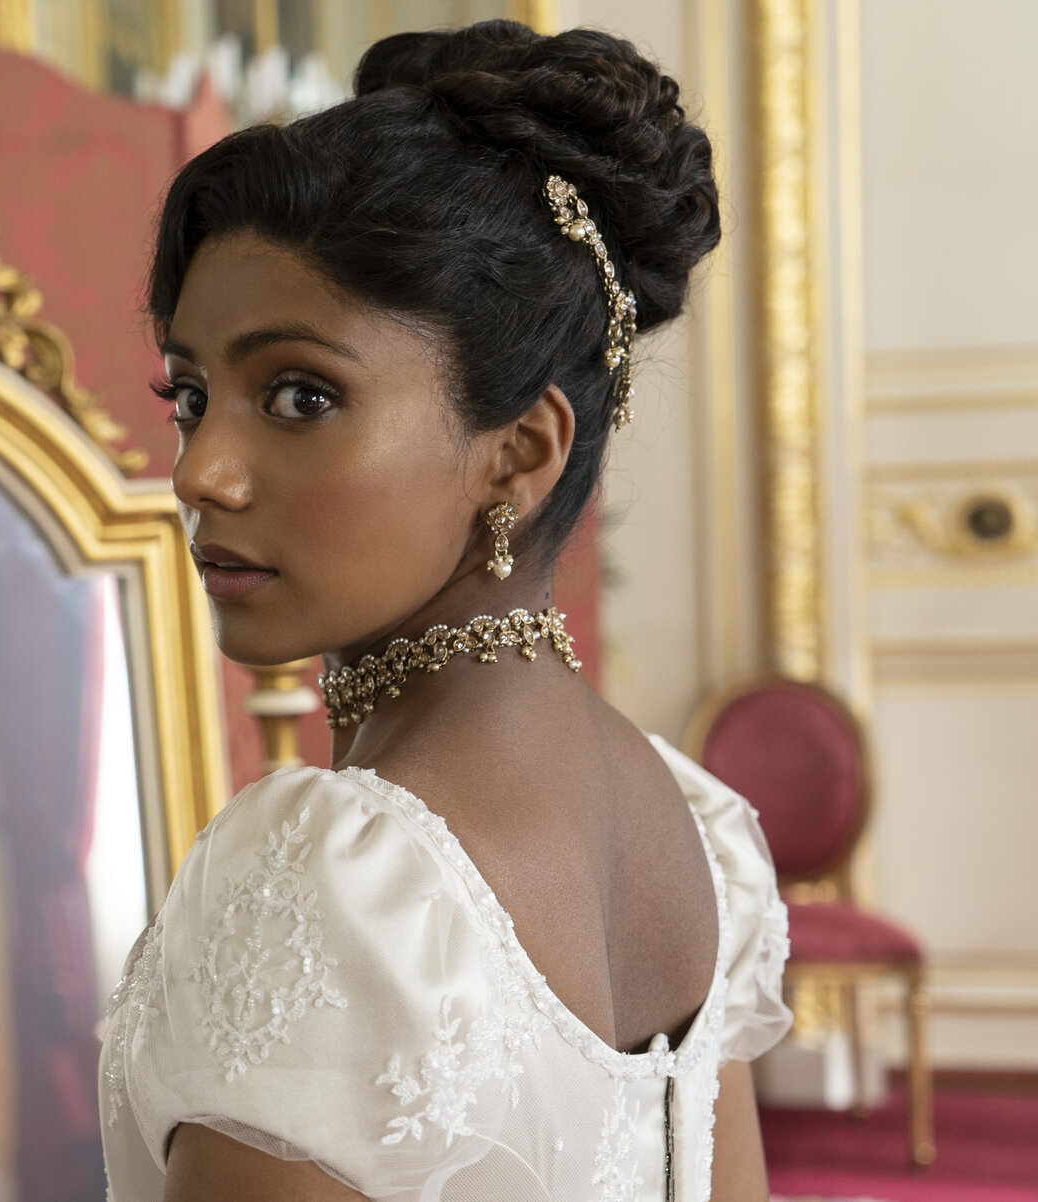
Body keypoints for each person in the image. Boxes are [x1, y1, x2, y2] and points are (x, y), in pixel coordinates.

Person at [100, 21, 791, 1202]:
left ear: (518, 450)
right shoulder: (693, 825)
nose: (201, 469)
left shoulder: (333, 875)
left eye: (300, 394)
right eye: (193, 395)